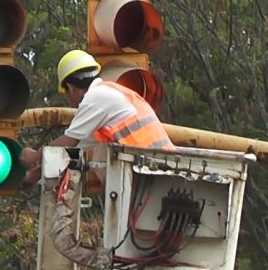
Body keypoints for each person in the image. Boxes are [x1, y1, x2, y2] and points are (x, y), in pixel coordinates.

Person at [20, 49, 174, 183]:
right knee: (99, 150)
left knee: (101, 154)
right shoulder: (107, 96)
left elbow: (67, 142)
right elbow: (70, 153)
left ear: (71, 88)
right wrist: (32, 177)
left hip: (153, 168)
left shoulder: (95, 98)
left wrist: (35, 156)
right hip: (159, 166)